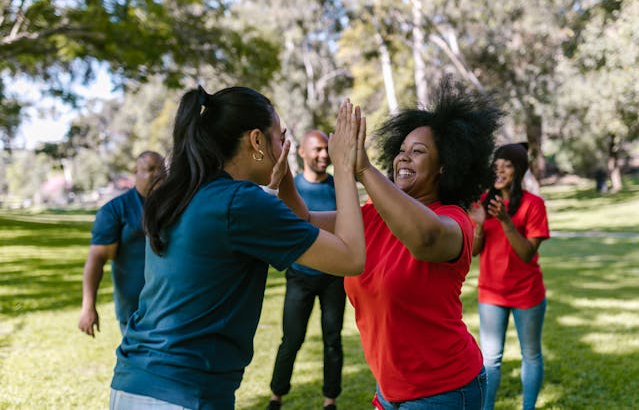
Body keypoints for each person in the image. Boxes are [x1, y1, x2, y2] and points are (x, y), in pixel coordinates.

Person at [109, 86, 366, 410]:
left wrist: (283, 172)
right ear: (256, 141)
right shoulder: (239, 203)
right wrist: (343, 167)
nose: (281, 145)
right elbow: (351, 257)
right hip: (183, 393)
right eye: (277, 137)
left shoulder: (186, 193)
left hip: (134, 383)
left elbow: (300, 221)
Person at [275, 78, 502, 410]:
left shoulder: (454, 222)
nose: (403, 158)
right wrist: (281, 176)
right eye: (401, 150)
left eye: (418, 151)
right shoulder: (371, 217)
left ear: (443, 166)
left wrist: (362, 168)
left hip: (444, 390)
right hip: (390, 391)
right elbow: (302, 223)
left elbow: (424, 240)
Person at [267, 130, 345, 410]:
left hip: (333, 278)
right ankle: (276, 396)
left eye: (326, 149)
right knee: (292, 339)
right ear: (302, 152)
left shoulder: (339, 188)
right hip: (300, 277)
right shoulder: (293, 188)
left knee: (333, 340)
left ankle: (330, 399)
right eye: (318, 150)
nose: (324, 155)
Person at [469, 143, 550, 410]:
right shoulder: (483, 201)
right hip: (491, 293)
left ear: (519, 170)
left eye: (507, 165)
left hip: (527, 292)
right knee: (490, 359)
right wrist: (479, 224)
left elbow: (527, 253)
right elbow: (474, 251)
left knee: (531, 355)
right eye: (497, 165)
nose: (499, 170)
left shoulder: (533, 204)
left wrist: (505, 221)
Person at [78, 150, 165, 337]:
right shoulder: (116, 210)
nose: (158, 175)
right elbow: (96, 258)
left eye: (161, 170)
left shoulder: (175, 206)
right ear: (135, 171)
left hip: (173, 307)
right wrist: (88, 306)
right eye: (150, 169)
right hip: (135, 311)